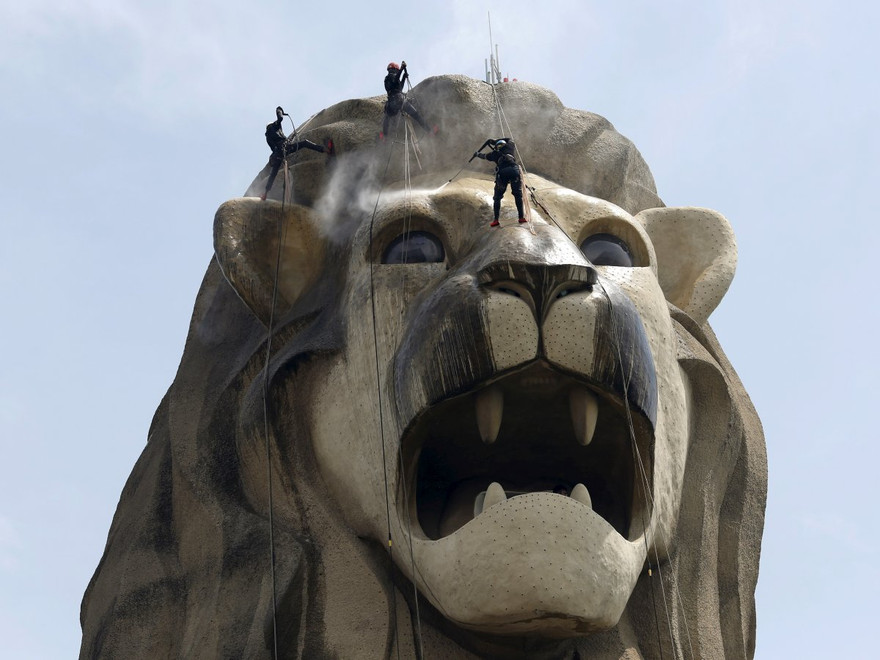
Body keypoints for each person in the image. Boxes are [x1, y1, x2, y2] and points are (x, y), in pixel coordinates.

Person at [262, 106, 333, 200]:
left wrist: (276, 155)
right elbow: (280, 118)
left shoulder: (268, 137)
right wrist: (280, 110)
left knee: (273, 173)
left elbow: (274, 148)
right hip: (286, 148)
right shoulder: (274, 127)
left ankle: (265, 194)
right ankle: (325, 150)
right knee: (305, 143)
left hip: (279, 154)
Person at [474, 138, 526, 226]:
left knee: (497, 198)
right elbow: (510, 139)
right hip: (514, 171)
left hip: (502, 173)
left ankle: (496, 220)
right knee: (518, 195)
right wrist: (494, 141)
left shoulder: (494, 154)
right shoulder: (510, 146)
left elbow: (484, 156)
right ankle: (521, 217)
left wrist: (477, 154)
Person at [381, 61, 433, 138]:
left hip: (391, 104)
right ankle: (429, 131)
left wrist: (403, 78)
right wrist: (402, 69)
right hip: (399, 100)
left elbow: (399, 88)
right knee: (416, 115)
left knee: (387, 118)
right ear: (395, 69)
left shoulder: (387, 79)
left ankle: (384, 136)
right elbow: (396, 81)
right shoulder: (392, 76)